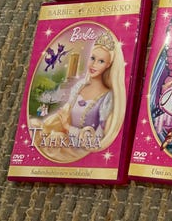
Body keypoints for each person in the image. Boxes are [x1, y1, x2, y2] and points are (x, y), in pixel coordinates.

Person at [31, 31, 126, 162]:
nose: (94, 64)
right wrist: (47, 127)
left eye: (101, 61)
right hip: (64, 141)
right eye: (92, 58)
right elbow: (63, 114)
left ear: (108, 65)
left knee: (57, 139)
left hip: (81, 150)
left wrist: (68, 128)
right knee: (37, 128)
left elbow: (98, 139)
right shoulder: (80, 86)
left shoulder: (107, 97)